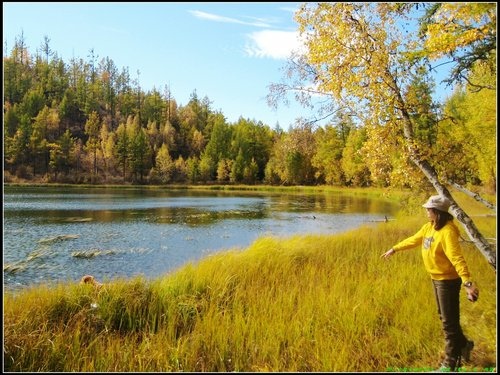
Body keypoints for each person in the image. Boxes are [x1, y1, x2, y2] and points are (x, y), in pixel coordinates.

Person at [381, 194, 479, 371]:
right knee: (445, 317)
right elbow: (414, 240)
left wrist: (467, 282)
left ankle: (450, 364)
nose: (426, 211)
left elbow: (457, 259)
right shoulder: (429, 227)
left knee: (449, 323)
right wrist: (394, 248)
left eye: (429, 209)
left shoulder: (447, 232)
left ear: (438, 212)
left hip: (447, 281)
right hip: (436, 278)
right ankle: (465, 345)